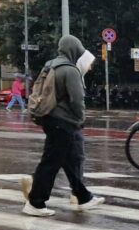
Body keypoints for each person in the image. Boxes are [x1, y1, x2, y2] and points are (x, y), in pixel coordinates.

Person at [21, 35, 104, 216]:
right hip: (64, 121)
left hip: (50, 117)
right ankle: (35, 202)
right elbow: (77, 100)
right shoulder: (70, 70)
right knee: (51, 162)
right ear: (74, 50)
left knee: (69, 159)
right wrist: (81, 118)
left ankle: (83, 197)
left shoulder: (50, 65)